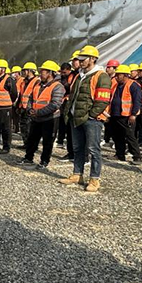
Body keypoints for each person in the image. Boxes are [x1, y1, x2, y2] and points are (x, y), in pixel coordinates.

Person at [59, 45, 112, 193]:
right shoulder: (79, 76)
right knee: (77, 148)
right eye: (79, 59)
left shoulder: (101, 76)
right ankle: (77, 174)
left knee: (93, 149)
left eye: (83, 59)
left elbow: (102, 100)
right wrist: (69, 113)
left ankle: (94, 179)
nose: (80, 61)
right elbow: (73, 96)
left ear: (93, 59)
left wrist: (92, 115)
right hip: (76, 117)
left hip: (91, 119)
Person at [22, 60, 65, 169]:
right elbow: (31, 98)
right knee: (32, 139)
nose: (40, 73)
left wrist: (38, 112)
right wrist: (30, 109)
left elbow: (55, 104)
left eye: (43, 71)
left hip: (50, 119)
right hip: (36, 117)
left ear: (50, 73)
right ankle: (28, 158)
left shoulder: (57, 86)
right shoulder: (38, 84)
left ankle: (44, 161)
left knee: (47, 142)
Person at [108, 64, 142, 163]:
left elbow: (137, 101)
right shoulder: (116, 85)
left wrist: (133, 114)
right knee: (117, 136)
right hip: (115, 114)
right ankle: (120, 154)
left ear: (125, 75)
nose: (116, 77)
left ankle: (137, 157)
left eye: (119, 75)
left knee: (130, 136)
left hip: (127, 116)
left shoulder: (133, 85)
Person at [0, 58, 18, 153]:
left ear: (3, 69)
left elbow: (14, 93)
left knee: (6, 128)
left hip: (5, 107)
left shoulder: (9, 79)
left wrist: (9, 102)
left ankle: (6, 147)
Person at [16, 62, 39, 146]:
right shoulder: (24, 81)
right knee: (23, 127)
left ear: (30, 71)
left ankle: (31, 145)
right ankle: (26, 143)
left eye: (25, 70)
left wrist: (33, 108)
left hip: (30, 108)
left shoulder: (37, 82)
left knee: (30, 128)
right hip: (23, 107)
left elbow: (36, 96)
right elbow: (21, 95)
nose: (24, 72)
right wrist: (18, 106)